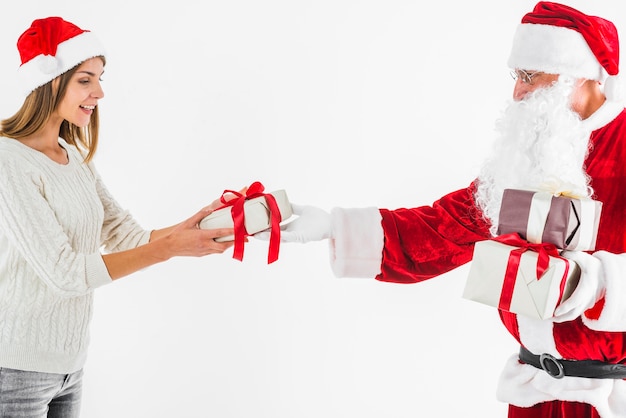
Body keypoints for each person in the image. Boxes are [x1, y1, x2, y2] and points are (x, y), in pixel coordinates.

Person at [258, 2, 626, 417]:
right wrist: (332, 226)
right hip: (534, 395)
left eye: (530, 76)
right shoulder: (533, 157)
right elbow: (442, 229)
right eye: (515, 77)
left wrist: (591, 284)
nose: (517, 93)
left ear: (578, 76)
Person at [0, 16, 236, 417]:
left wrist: (189, 230)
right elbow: (65, 272)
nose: (100, 92)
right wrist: (168, 250)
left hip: (70, 367)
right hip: (15, 369)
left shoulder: (72, 156)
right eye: (86, 79)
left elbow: (123, 233)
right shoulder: (8, 161)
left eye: (101, 78)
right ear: (49, 81)